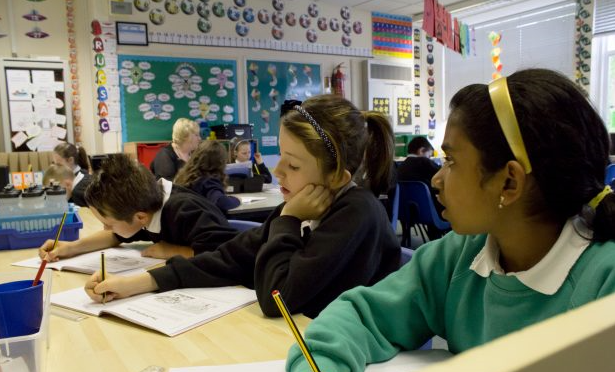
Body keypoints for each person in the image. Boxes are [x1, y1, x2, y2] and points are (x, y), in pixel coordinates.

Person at [285, 69, 615, 372]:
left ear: (509, 183)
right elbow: (361, 314)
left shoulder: (604, 283)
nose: (438, 179)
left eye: (451, 161)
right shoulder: (460, 256)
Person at [83, 95, 401, 319]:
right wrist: (138, 283)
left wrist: (288, 220)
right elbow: (227, 259)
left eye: (291, 165)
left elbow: (278, 299)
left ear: (336, 177)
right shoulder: (304, 206)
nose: (277, 173)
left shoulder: (355, 214)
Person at [39, 154, 238, 262]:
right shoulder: (145, 205)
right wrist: (70, 247)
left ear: (140, 217)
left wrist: (174, 250)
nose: (106, 229)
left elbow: (228, 253)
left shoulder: (184, 210)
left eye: (108, 224)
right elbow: (117, 235)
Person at [396, 136, 447, 241]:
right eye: (429, 154)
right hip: (431, 213)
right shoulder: (424, 162)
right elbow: (446, 177)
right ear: (421, 151)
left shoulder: (400, 166)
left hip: (408, 214)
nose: (429, 157)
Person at [174, 140, 241, 214]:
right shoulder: (208, 181)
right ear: (220, 162)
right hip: (202, 223)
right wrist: (236, 200)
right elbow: (221, 202)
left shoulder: (184, 176)